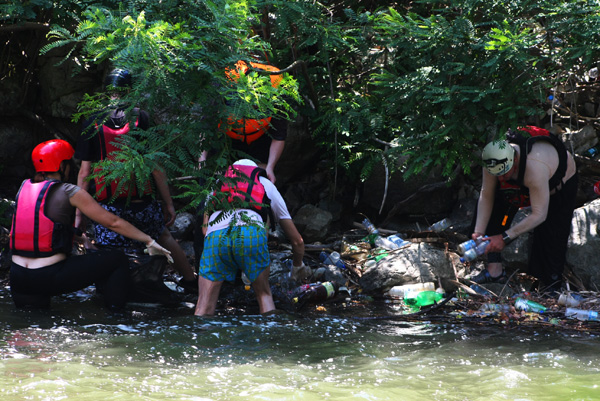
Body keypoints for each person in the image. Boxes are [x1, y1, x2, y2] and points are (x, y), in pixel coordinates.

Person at [9, 139, 173, 310]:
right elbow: (113, 222)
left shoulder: (23, 189)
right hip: (49, 276)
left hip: (18, 278)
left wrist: (79, 238)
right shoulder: (70, 191)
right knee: (117, 259)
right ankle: (116, 318)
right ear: (62, 166)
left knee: (35, 321)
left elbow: (40, 230)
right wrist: (149, 240)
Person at [74, 68, 198, 293]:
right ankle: (190, 281)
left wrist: (79, 214)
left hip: (109, 206)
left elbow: (84, 174)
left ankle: (113, 290)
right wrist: (168, 203)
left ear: (106, 91)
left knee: (108, 249)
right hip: (143, 203)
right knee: (163, 235)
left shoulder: (91, 122)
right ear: (130, 90)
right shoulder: (141, 118)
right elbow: (156, 166)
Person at [470, 126, 578, 291]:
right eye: (497, 174)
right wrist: (478, 232)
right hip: (523, 181)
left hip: (558, 183)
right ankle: (495, 271)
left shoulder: (534, 168)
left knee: (550, 235)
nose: (500, 178)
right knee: (496, 210)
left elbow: (539, 214)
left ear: (515, 161)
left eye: (504, 173)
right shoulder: (493, 162)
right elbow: (486, 196)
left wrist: (505, 237)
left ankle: (548, 287)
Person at [194, 159, 305, 316]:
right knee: (264, 294)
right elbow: (296, 240)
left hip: (216, 237)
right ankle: (269, 334)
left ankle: (197, 337)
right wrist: (298, 266)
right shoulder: (266, 185)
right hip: (250, 235)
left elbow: (205, 231)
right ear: (255, 170)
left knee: (203, 304)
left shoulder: (218, 184)